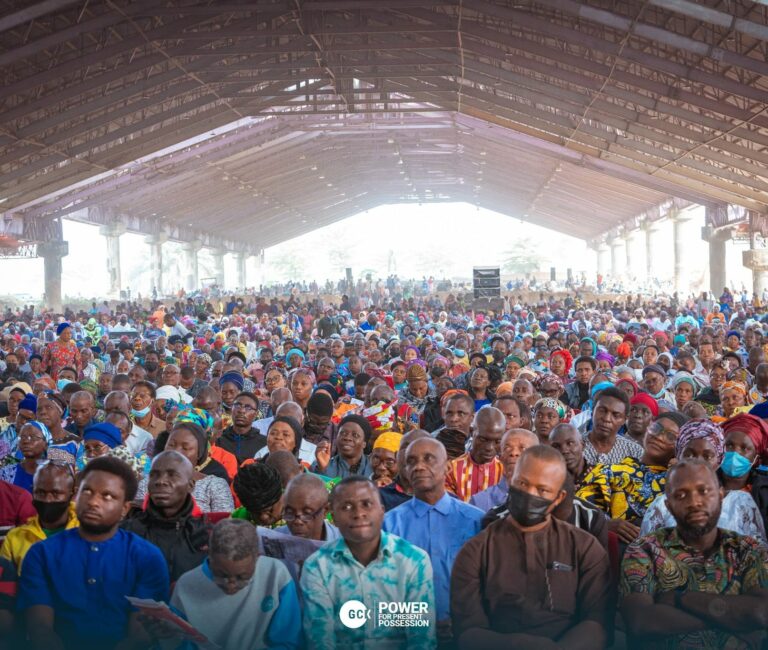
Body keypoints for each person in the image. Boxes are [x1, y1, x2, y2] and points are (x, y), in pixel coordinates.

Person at [451, 446, 612, 649]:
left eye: (542, 490)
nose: (529, 494)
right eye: (522, 483)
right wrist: (516, 644)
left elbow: (596, 625)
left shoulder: (585, 548)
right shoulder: (476, 551)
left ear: (558, 498)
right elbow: (467, 633)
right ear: (511, 480)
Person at [18, 456, 169, 649]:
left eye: (107, 496)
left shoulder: (147, 557)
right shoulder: (42, 554)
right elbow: (40, 629)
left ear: (124, 508)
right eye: (87, 491)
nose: (93, 502)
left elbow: (139, 636)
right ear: (76, 496)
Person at [620, 459, 768, 648]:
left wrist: (680, 599)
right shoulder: (644, 550)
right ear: (669, 505)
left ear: (721, 495)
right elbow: (641, 622)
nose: (694, 502)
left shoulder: (749, 550)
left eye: (704, 491)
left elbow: (761, 613)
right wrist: (734, 620)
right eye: (681, 495)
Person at [300, 476, 436, 650]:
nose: (358, 513)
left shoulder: (414, 561)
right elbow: (320, 640)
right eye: (346, 507)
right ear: (333, 516)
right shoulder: (317, 566)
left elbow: (420, 639)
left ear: (382, 511)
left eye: (367, 504)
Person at [384, 436, 483, 632]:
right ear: (404, 470)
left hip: (466, 634)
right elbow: (380, 592)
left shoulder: (476, 521)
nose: (419, 467)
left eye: (428, 459)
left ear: (447, 467)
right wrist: (420, 623)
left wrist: (465, 624)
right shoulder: (389, 524)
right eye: (411, 461)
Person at [166, 519, 302, 650]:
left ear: (258, 557)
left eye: (242, 577)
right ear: (209, 555)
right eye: (221, 575)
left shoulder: (276, 574)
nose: (231, 585)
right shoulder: (185, 586)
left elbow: (288, 641)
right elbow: (178, 643)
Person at [640, 419, 766, 544]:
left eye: (707, 456)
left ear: (719, 461)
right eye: (689, 455)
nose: (698, 463)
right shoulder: (661, 506)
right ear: (678, 457)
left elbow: (757, 556)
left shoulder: (741, 503)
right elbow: (645, 554)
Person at [578, 413, 679, 544]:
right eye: (656, 428)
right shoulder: (609, 470)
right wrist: (604, 524)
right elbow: (577, 512)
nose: (659, 437)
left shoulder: (674, 486)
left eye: (670, 436)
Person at [121, 451, 210, 582]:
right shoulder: (126, 533)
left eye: (172, 475)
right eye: (154, 475)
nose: (160, 481)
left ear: (190, 485)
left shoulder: (205, 537)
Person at [138, 422, 234, 513]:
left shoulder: (214, 485)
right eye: (171, 445)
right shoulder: (148, 483)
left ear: (199, 453)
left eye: (185, 448)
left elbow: (224, 525)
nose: (176, 451)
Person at [0, 462, 78, 573]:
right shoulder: (15, 538)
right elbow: (5, 584)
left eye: (56, 493)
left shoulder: (88, 531)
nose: (47, 499)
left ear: (72, 493)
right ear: (33, 491)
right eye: (40, 493)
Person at [470, 428, 538, 512]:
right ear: (500, 456)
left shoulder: (545, 499)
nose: (514, 453)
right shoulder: (479, 502)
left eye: (523, 448)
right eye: (507, 448)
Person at [445, 406, 505, 502]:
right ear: (472, 431)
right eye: (483, 439)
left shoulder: (505, 473)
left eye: (497, 441)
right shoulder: (451, 471)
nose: (489, 448)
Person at [582, 387, 643, 466]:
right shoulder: (574, 447)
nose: (607, 419)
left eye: (615, 415)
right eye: (602, 410)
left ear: (624, 420)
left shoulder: (635, 452)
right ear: (593, 410)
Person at [276, 473, 339, 541]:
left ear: (325, 510)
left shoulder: (346, 544)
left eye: (307, 513)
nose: (298, 522)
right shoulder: (274, 541)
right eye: (290, 513)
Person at [378, 429, 430, 511]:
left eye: (421, 448)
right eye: (406, 447)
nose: (412, 454)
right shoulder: (377, 498)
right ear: (396, 456)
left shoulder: (447, 502)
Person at [312, 414, 372, 479]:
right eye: (343, 433)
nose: (347, 438)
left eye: (355, 435)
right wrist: (322, 469)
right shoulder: (321, 464)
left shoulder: (374, 468)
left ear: (364, 443)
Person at [215, 392, 267, 465]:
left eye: (248, 407)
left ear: (256, 414)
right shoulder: (219, 439)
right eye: (238, 405)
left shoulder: (264, 443)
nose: (241, 411)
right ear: (231, 409)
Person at [232, 462, 284, 527]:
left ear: (282, 496)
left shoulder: (297, 519)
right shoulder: (236, 520)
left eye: (270, 510)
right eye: (256, 513)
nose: (263, 517)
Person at [549, 422, 590, 489]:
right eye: (556, 446)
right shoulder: (546, 481)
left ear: (582, 445)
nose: (564, 451)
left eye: (570, 443)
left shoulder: (602, 476)